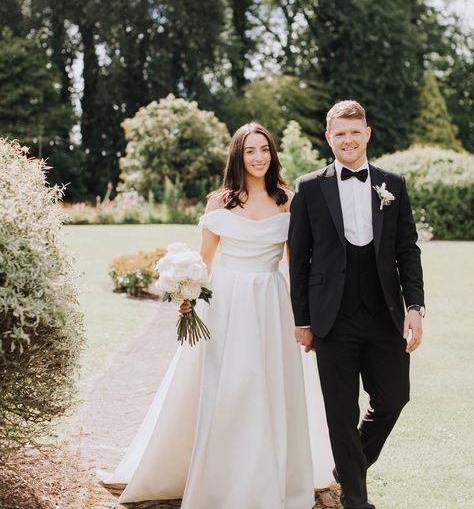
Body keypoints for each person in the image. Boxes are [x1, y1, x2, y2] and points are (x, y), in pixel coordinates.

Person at [104, 122, 333, 508]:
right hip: (226, 303)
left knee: (269, 385)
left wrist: (302, 319)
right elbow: (204, 263)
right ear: (238, 156)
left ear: (272, 154)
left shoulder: (288, 200)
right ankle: (222, 482)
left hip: (271, 302)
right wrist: (188, 296)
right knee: (230, 386)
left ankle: (268, 480)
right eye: (250, 151)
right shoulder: (219, 201)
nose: (259, 157)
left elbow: (296, 268)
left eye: (264, 150)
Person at [289, 100, 425, 509]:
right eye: (340, 134)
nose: (348, 140)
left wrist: (415, 307)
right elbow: (300, 257)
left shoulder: (393, 184)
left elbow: (407, 249)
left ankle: (350, 466)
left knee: (393, 398)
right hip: (332, 318)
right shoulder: (310, 187)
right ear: (328, 138)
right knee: (341, 411)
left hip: (386, 314)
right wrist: (303, 319)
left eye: (355, 132)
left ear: (368, 133)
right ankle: (355, 499)